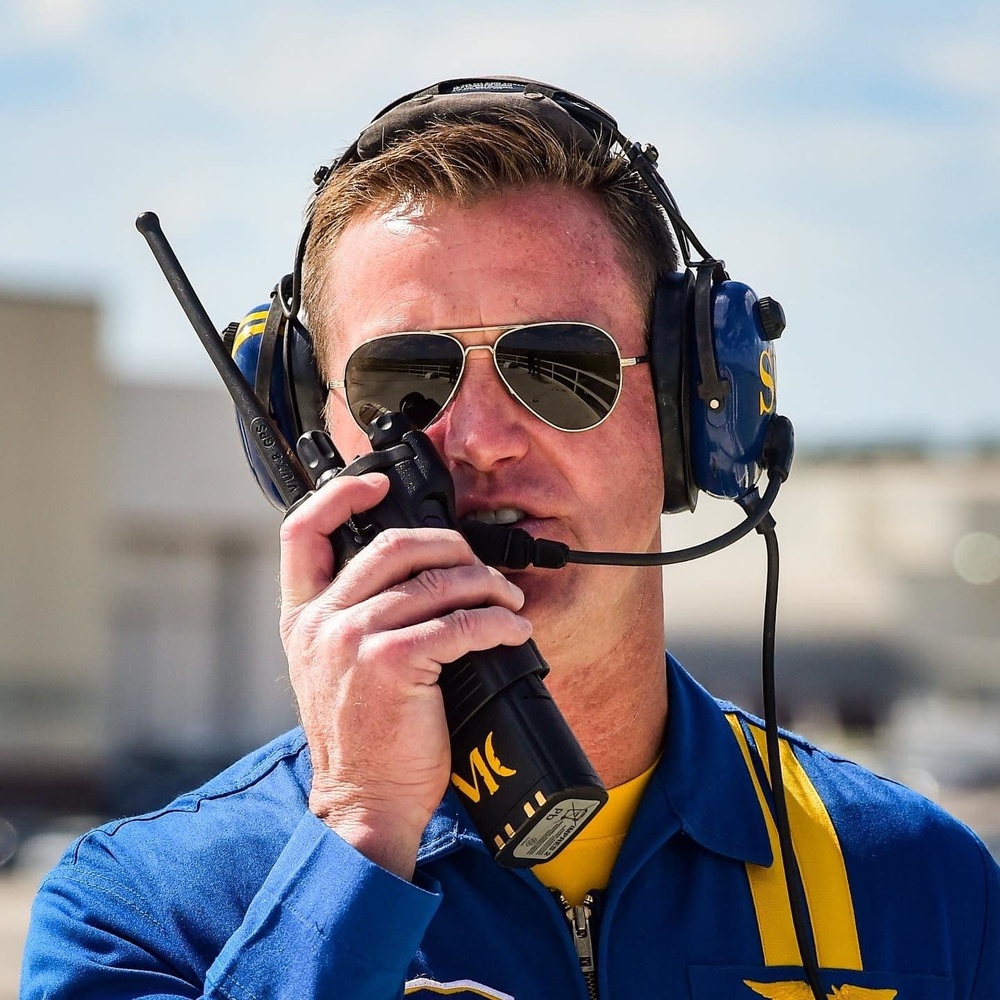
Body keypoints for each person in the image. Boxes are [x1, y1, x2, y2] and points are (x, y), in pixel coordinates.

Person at [21, 77, 999, 1000]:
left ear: (687, 413)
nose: (483, 441)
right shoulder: (141, 914)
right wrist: (357, 841)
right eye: (403, 387)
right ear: (300, 445)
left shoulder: (924, 888)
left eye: (559, 367)